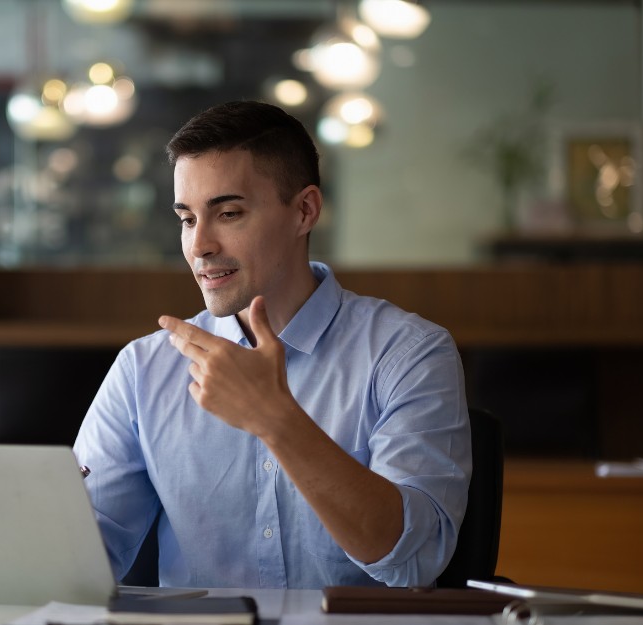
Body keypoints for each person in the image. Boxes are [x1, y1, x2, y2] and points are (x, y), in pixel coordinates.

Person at [73, 100, 470, 589]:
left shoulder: (409, 354)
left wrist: (274, 419)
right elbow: (78, 558)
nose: (200, 246)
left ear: (304, 211)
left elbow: (415, 560)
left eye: (228, 213)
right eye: (187, 220)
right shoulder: (144, 368)